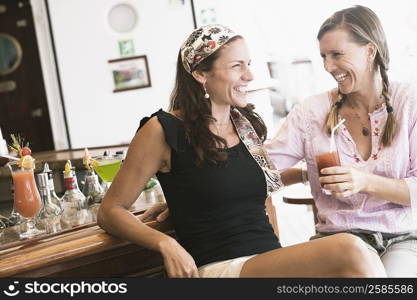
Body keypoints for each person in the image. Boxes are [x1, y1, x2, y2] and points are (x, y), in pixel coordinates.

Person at [97, 24, 385, 278]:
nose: (249, 75)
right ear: (200, 73)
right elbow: (110, 211)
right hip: (221, 266)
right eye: (237, 66)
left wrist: (302, 174)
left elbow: (249, 187)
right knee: (350, 249)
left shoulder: (246, 126)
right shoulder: (162, 130)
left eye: (248, 64)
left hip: (266, 262)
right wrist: (165, 243)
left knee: (361, 260)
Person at [264, 5, 417, 277]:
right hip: (339, 240)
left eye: (337, 54)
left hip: (402, 238)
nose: (327, 66)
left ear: (370, 51)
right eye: (323, 56)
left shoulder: (410, 104)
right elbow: (263, 167)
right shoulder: (310, 113)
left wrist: (364, 181)